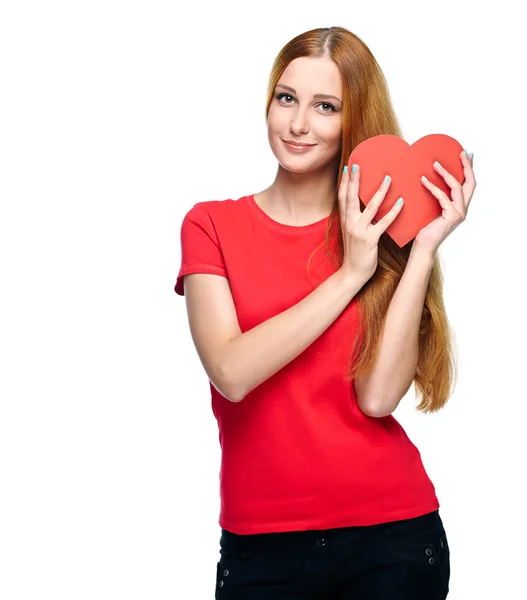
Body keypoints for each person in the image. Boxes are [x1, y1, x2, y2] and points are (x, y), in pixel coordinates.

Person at [174, 25, 476, 600]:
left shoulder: (382, 235)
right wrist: (348, 276)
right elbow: (232, 373)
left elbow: (378, 399)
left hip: (392, 539)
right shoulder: (211, 225)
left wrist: (423, 249)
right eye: (286, 98)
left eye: (325, 107)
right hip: (261, 545)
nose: (298, 124)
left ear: (352, 121)